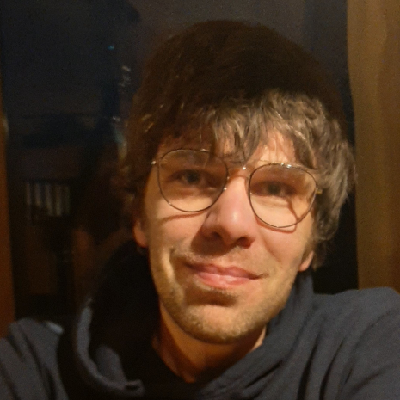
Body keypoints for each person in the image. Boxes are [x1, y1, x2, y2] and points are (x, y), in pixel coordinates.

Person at [1, 20, 400, 400]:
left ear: (312, 241)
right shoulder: (34, 371)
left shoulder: (367, 349)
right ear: (139, 215)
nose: (231, 223)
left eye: (276, 188)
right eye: (191, 177)